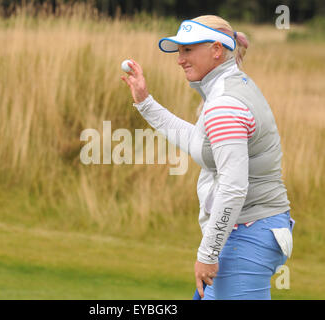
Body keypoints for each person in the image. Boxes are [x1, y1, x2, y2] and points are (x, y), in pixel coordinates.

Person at [120, 15, 294, 300]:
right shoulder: (225, 89)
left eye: (188, 50)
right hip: (247, 232)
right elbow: (199, 144)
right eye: (179, 51)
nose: (180, 59)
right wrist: (145, 103)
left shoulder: (224, 104)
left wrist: (207, 253)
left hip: (247, 236)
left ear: (216, 50)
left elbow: (233, 186)